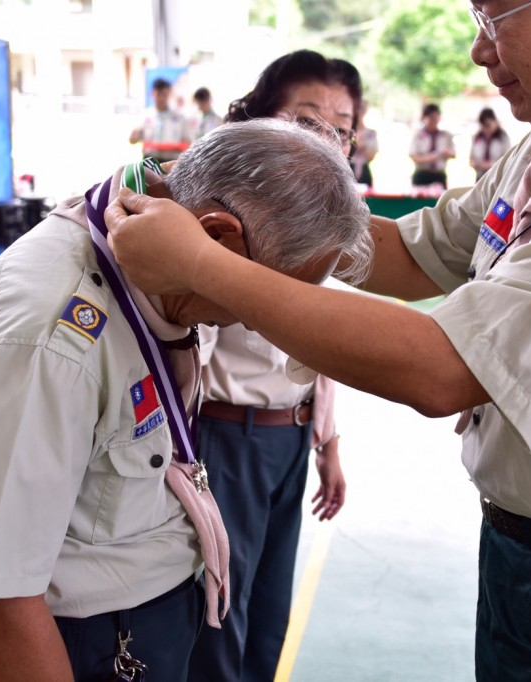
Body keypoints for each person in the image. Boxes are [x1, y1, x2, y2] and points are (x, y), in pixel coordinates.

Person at [106, 1, 531, 680]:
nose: (481, 52)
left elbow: (444, 368)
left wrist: (201, 263)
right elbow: (407, 254)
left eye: (495, 19)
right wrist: (245, 204)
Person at [0, 118, 372, 681]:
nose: (275, 314)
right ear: (218, 236)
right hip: (64, 647)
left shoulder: (155, 261)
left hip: (123, 633)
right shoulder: (51, 342)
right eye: (277, 288)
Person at [186, 49, 362, 682]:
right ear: (261, 119)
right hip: (225, 436)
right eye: (308, 121)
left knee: (268, 617)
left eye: (341, 129)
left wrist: (326, 438)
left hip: (288, 438)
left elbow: (315, 335)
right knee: (220, 613)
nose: (329, 140)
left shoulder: (321, 217)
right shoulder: (225, 212)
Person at [129, 77, 193, 162]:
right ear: (152, 94)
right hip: (149, 160)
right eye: (158, 94)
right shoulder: (145, 116)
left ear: (169, 94)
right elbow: (133, 140)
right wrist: (134, 136)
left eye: (164, 94)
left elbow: (189, 142)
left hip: (172, 161)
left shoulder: (179, 118)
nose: (161, 98)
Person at [408, 102, 455, 189]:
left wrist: (446, 153)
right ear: (424, 118)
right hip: (421, 174)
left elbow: (454, 154)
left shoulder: (446, 135)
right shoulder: (418, 135)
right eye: (430, 117)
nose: (433, 120)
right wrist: (433, 157)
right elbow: (413, 156)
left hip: (439, 175)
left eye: (435, 117)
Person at [469, 107, 511, 180]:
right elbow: (471, 159)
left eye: (488, 125)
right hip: (480, 176)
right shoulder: (477, 137)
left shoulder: (503, 138)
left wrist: (492, 165)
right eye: (483, 126)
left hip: (498, 177)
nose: (485, 129)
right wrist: (477, 164)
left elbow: (508, 159)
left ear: (495, 122)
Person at [352, 101, 379, 188]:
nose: (359, 112)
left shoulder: (371, 133)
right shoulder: (346, 132)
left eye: (362, 109)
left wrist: (362, 146)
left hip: (364, 172)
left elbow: (371, 157)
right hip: (347, 169)